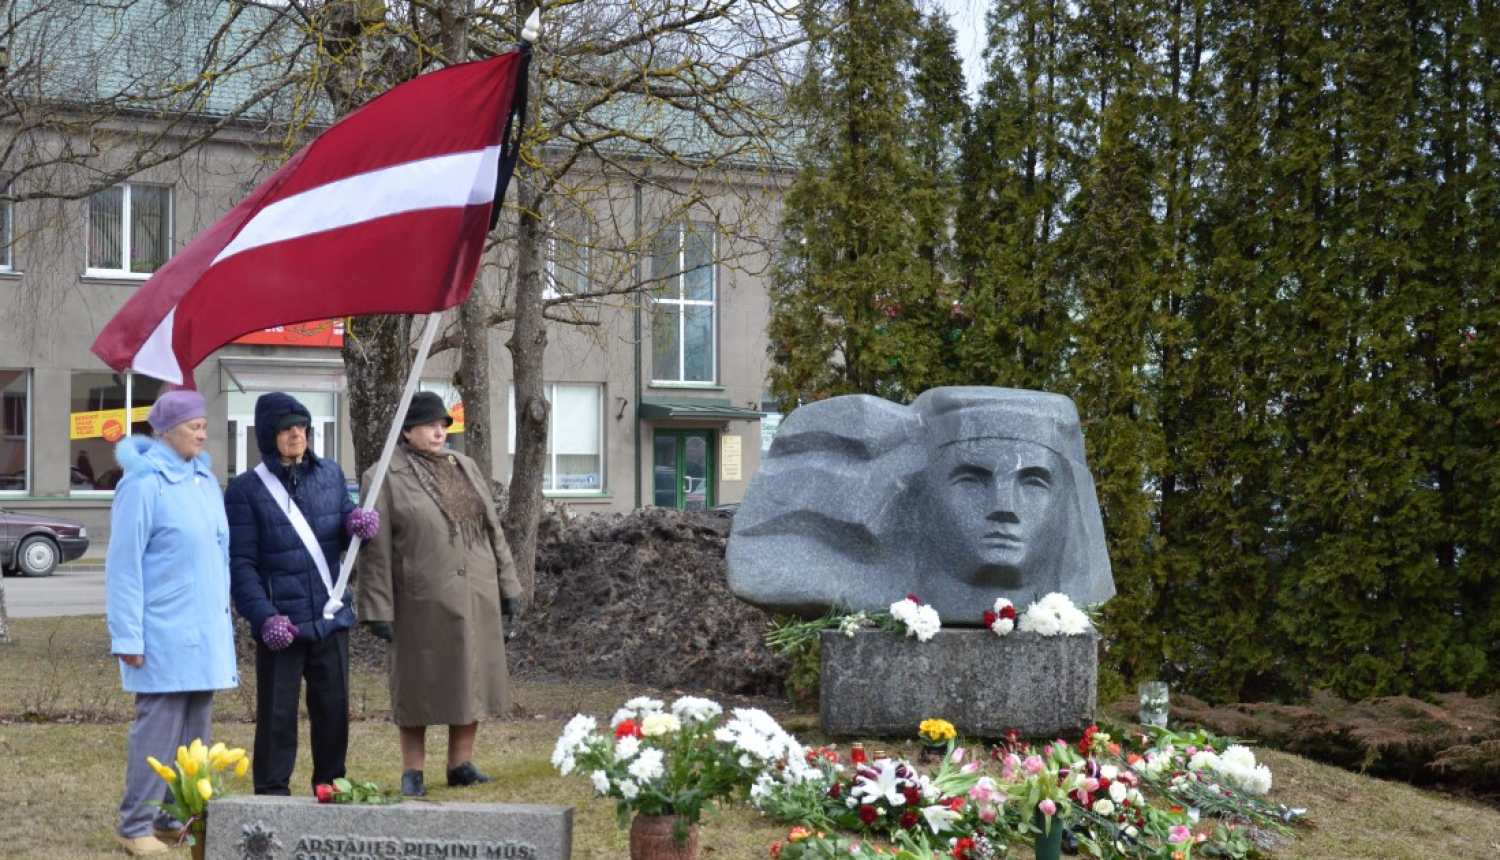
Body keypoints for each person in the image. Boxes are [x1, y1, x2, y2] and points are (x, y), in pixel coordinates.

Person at [356, 391, 522, 797]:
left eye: (442, 424)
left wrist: (508, 585)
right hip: (420, 599)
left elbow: (491, 529)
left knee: (471, 679)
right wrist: (378, 607)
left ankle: (460, 764)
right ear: (407, 431)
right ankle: (412, 770)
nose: (438, 431)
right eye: (429, 424)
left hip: (475, 592)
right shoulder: (383, 475)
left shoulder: (463, 465)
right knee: (417, 684)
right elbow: (374, 547)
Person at [105, 390, 237, 856]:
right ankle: (134, 823)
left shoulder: (202, 479)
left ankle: (171, 817)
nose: (202, 432)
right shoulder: (143, 483)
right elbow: (123, 566)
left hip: (204, 630)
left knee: (194, 737)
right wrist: (127, 635)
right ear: (163, 432)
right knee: (157, 731)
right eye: (192, 425)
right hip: (161, 629)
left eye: (203, 424)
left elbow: (215, 557)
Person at [224, 393, 376, 795]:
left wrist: (357, 525)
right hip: (282, 623)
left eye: (302, 426)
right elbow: (241, 566)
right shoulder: (245, 490)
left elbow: (343, 526)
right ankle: (272, 793)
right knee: (277, 716)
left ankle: (331, 786)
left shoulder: (329, 475)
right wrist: (264, 617)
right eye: (286, 428)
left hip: (330, 614)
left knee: (333, 713)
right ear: (269, 435)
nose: (296, 434)